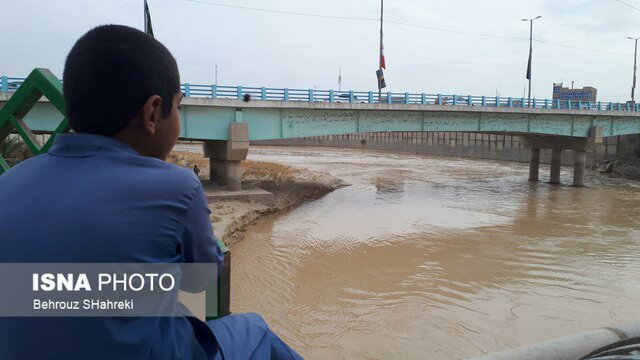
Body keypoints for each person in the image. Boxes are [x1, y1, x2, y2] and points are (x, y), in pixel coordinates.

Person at [0, 25, 302, 360]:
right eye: (179, 107)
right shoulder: (177, 188)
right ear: (152, 113)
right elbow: (201, 278)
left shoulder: (8, 183)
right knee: (255, 329)